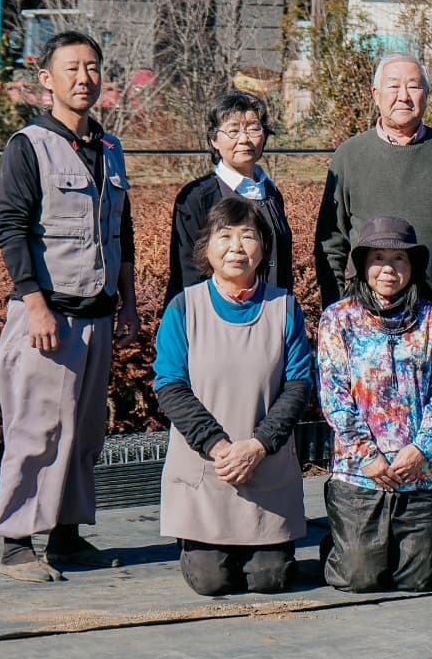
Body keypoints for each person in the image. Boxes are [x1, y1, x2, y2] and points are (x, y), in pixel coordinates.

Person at [0, 30, 139, 583]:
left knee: (84, 430)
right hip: (47, 316)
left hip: (98, 313)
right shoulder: (28, 146)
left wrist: (128, 301)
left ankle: (68, 535)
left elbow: (122, 229)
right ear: (45, 80)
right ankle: (16, 544)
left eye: (93, 67)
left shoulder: (111, 148)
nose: (84, 78)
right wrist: (36, 304)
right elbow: (11, 228)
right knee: (37, 428)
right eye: (71, 68)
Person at [153, 198, 312, 595]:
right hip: (208, 470)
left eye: (248, 236)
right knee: (213, 581)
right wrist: (216, 444)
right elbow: (169, 384)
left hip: (266, 467)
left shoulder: (285, 307)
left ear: (264, 248)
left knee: (270, 580)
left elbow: (299, 385)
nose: (236, 247)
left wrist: (259, 445)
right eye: (224, 236)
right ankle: (199, 543)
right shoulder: (183, 308)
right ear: (207, 247)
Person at [317, 217, 432, 592]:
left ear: (413, 267)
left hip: (420, 470)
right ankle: (340, 542)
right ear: (362, 265)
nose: (388, 268)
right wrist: (367, 455)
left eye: (399, 258)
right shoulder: (338, 319)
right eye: (378, 257)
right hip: (359, 471)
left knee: (417, 580)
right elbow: (334, 394)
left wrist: (420, 449)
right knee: (359, 577)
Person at [315, 52, 432, 309]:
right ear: (376, 94)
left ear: (426, 95)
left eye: (414, 86)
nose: (403, 96)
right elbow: (331, 242)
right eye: (393, 86)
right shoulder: (350, 155)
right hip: (365, 315)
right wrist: (339, 305)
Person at [166, 91, 294, 302]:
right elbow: (187, 274)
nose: (244, 139)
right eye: (233, 131)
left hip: (273, 313)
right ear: (214, 139)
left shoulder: (270, 193)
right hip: (218, 319)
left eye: (253, 129)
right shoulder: (198, 198)